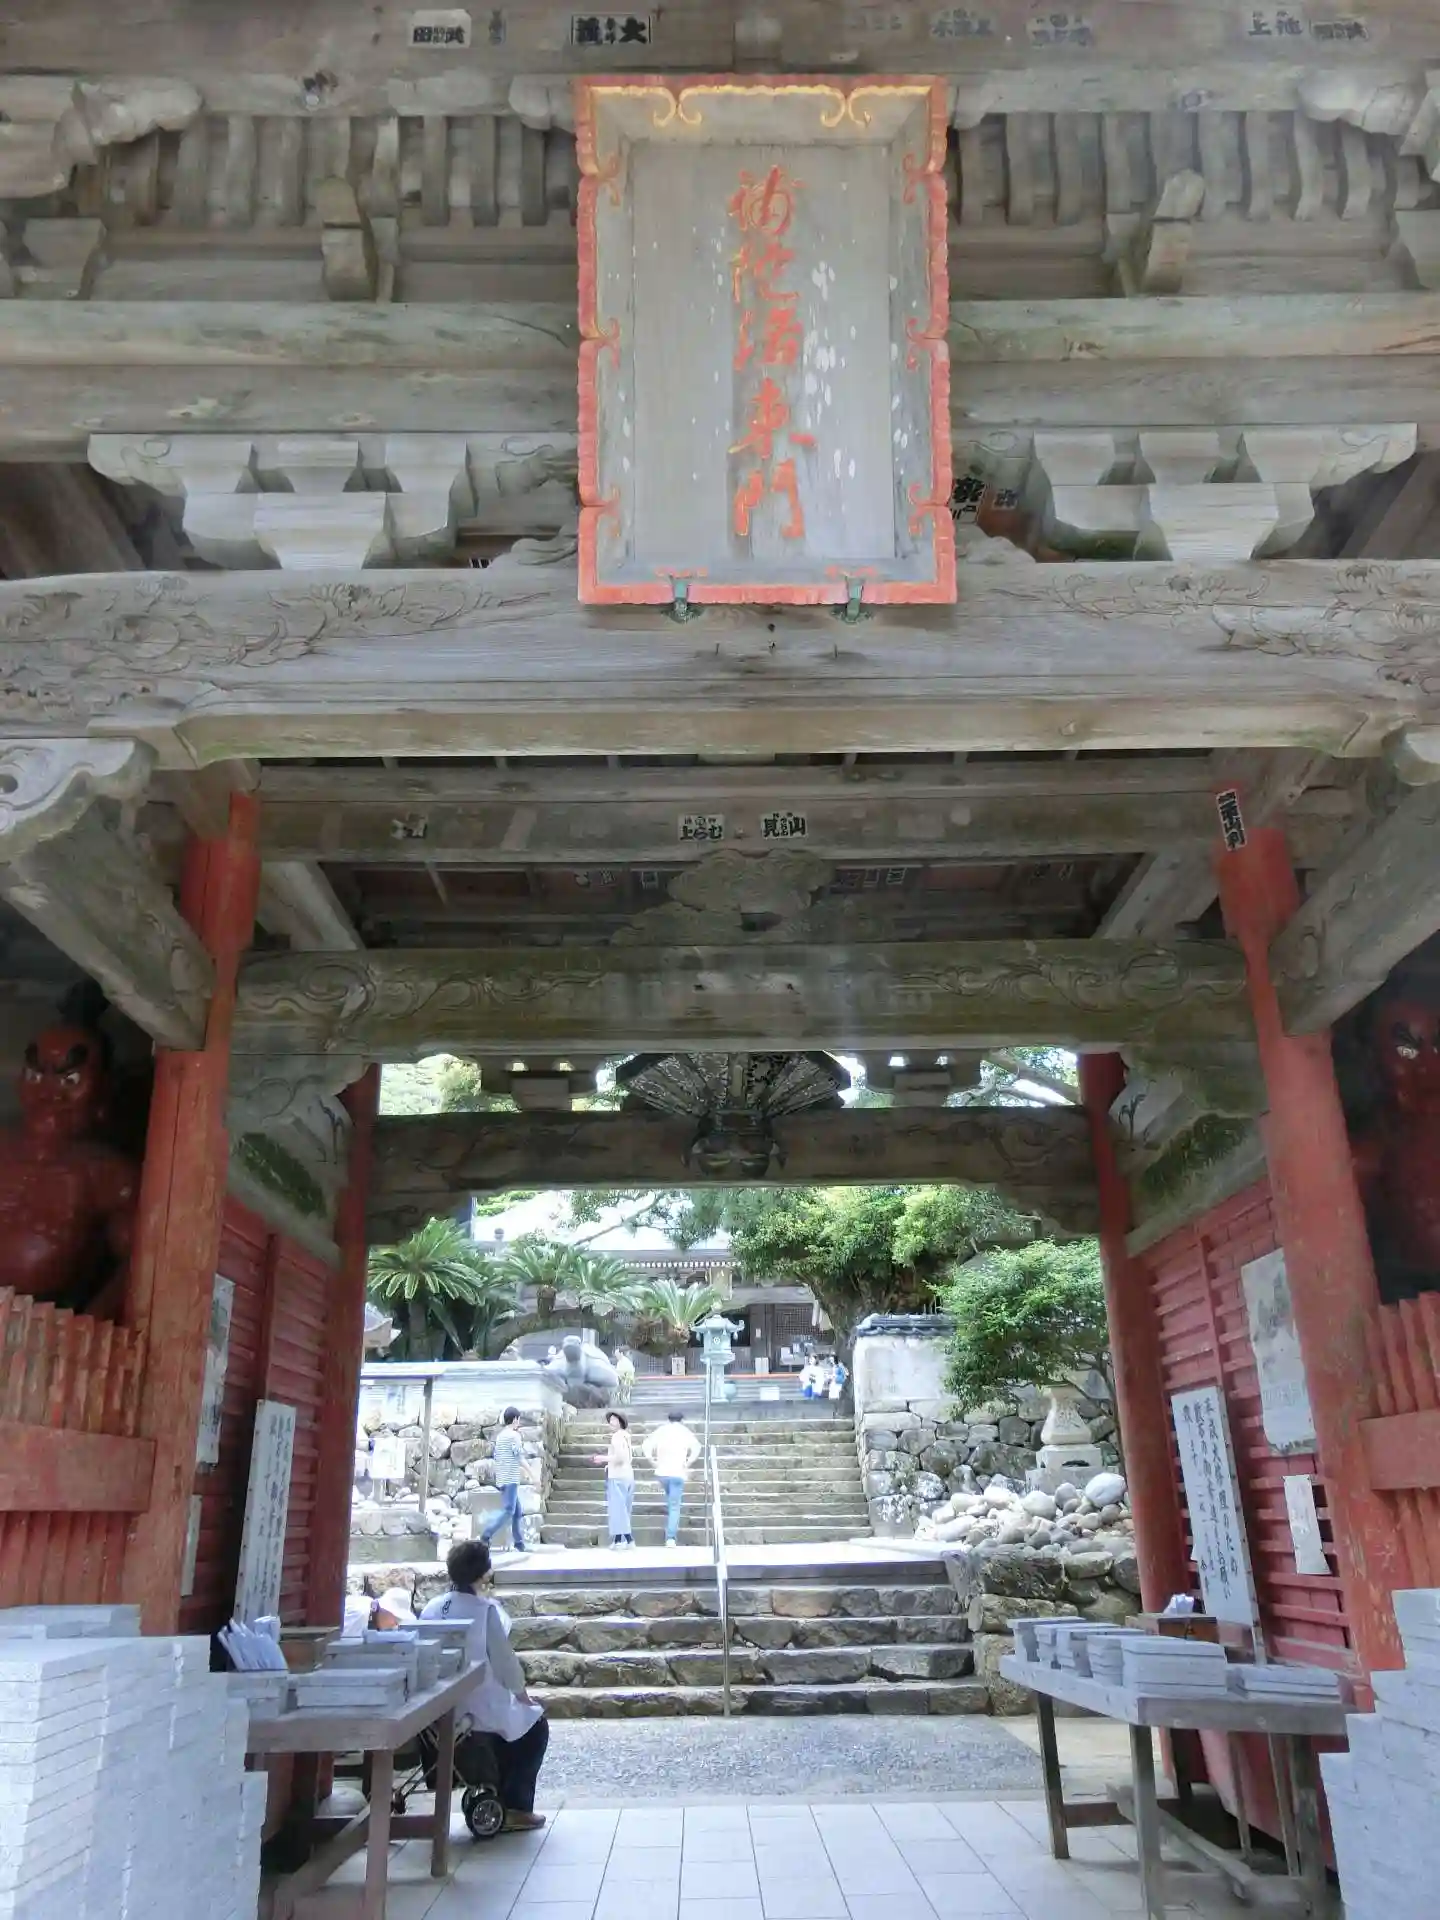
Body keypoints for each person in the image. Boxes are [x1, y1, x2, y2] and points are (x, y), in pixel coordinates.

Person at [419, 1540, 549, 1833]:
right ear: (485, 1573)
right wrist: (523, 1697)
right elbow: (506, 1666)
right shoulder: (486, 1611)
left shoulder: (431, 1607)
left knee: (513, 1718)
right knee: (535, 1727)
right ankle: (516, 1807)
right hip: (477, 1707)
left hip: (439, 1708)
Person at [641, 1410, 701, 1547]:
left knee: (671, 1502)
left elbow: (646, 1445)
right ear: (682, 1420)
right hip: (677, 1473)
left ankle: (670, 1530)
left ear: (668, 1419)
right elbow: (697, 1447)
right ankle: (670, 1538)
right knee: (674, 1506)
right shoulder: (685, 1431)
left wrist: (652, 1460)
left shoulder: (661, 1430)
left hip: (662, 1473)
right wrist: (688, 1462)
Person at [481, 1406, 527, 1553]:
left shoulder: (501, 1436)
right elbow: (519, 1457)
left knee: (517, 1511)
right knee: (509, 1511)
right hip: (511, 1478)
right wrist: (533, 1474)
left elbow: (497, 1457)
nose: (519, 1422)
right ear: (514, 1419)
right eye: (518, 1419)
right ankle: (486, 1534)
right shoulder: (514, 1436)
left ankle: (519, 1543)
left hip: (502, 1478)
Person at [592, 1410, 635, 1548]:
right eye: (610, 1420)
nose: (610, 1423)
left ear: (620, 1422)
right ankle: (618, 1540)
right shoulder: (626, 1436)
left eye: (614, 1420)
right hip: (627, 1475)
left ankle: (628, 1539)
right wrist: (609, 1465)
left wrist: (602, 1458)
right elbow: (627, 1457)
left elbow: (620, 1457)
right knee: (623, 1508)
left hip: (617, 1477)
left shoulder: (616, 1437)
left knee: (618, 1509)